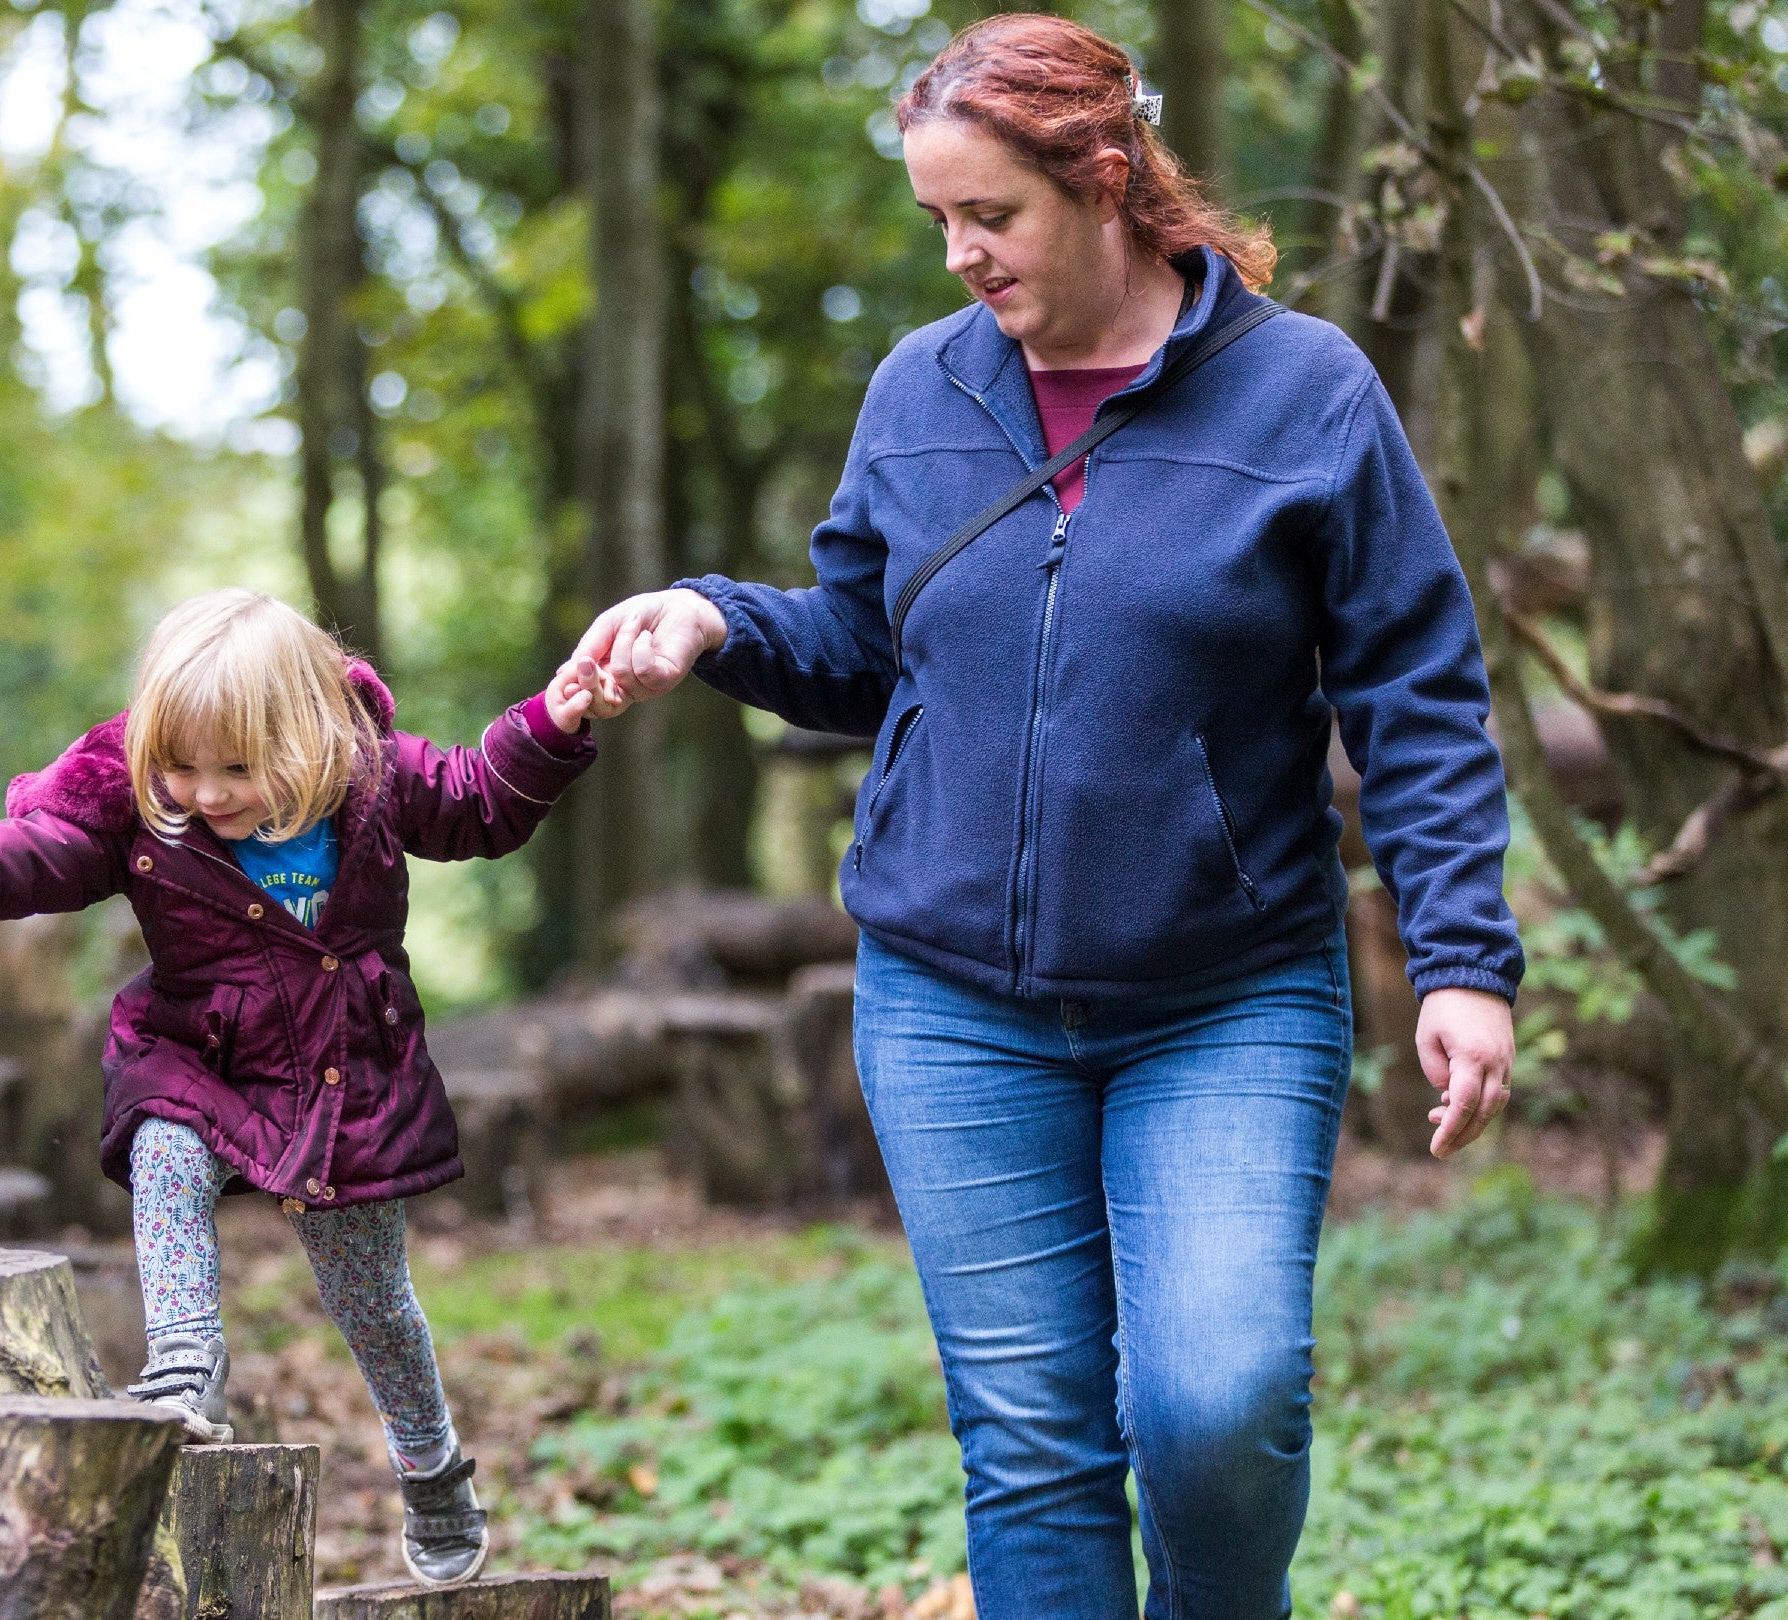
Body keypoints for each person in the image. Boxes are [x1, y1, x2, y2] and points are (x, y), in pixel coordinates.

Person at [571, 15, 1523, 1615]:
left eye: (987, 216)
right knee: (1031, 1444)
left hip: (1224, 994)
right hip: (949, 1004)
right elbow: (871, 648)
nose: (958, 254)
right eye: (938, 219)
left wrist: (1464, 959)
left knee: (1217, 1408)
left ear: (1102, 177)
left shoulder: (1305, 395)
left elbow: (1418, 696)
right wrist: (717, 619)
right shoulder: (919, 392)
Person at [0, 588, 622, 1585]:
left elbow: (481, 800)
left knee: (373, 1300)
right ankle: (186, 1363)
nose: (205, 794)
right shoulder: (138, 801)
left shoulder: (375, 781)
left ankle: (431, 1466)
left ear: (307, 736)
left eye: (235, 770)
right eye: (180, 767)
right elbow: (44, 848)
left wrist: (553, 722)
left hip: (340, 1081)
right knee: (163, 1149)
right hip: (200, 1055)